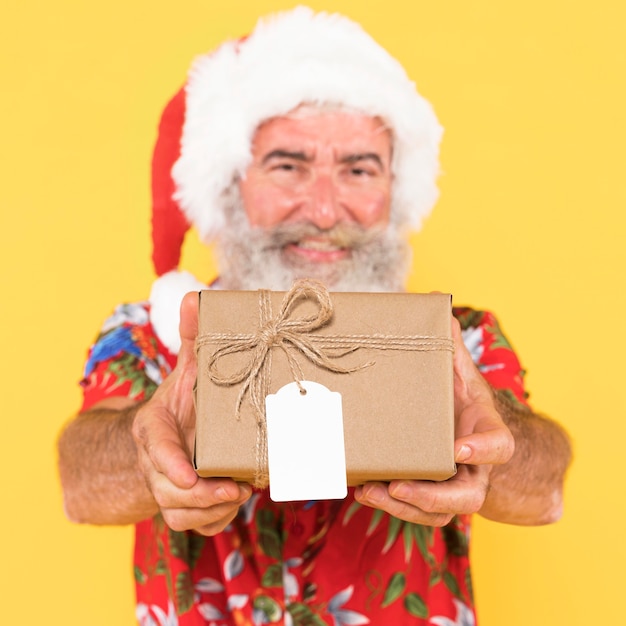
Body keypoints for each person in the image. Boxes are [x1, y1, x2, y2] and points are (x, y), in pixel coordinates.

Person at [57, 7, 572, 626]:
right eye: (288, 165)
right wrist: (152, 444)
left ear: (392, 190)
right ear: (231, 185)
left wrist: (480, 432)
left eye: (358, 168)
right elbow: (80, 482)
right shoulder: (153, 333)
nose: (325, 211)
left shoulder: (456, 339)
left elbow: (546, 489)